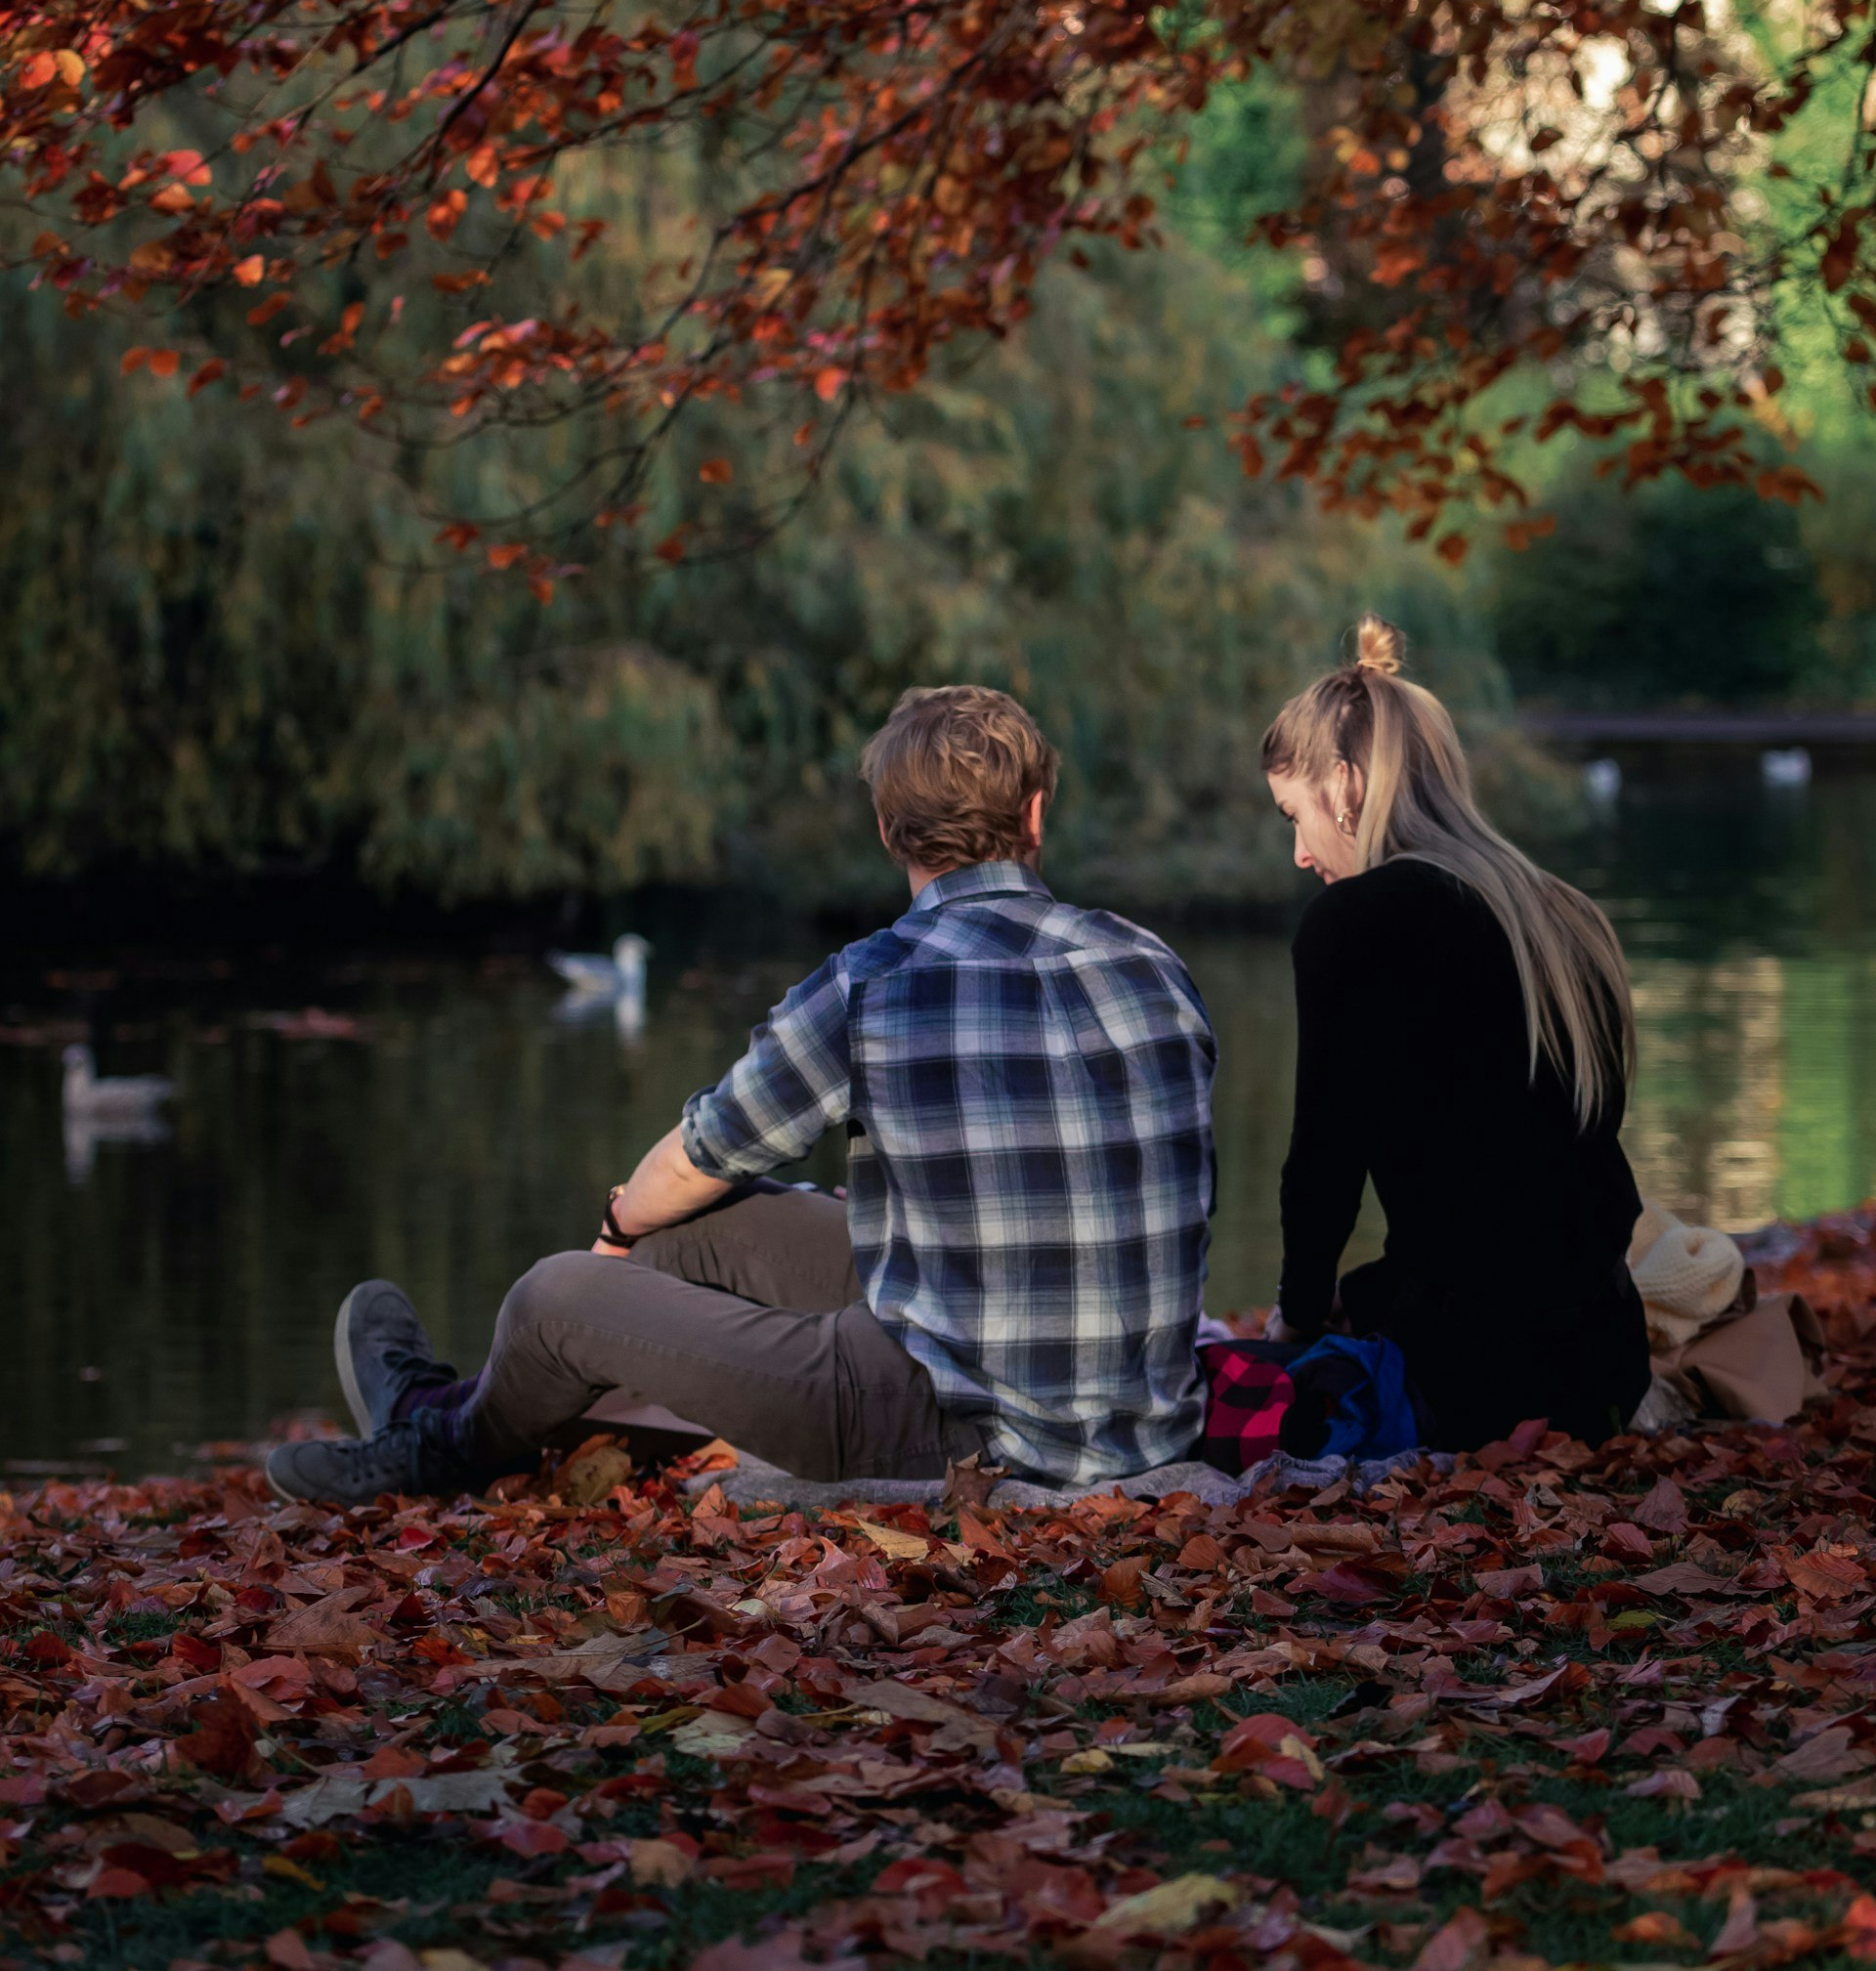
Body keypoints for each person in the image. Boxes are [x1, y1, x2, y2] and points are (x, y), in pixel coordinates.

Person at [266, 684, 1216, 1505]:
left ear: (889, 832)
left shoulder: (872, 982)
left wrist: (616, 1229)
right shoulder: (1151, 960)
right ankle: (498, 1409)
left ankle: (438, 1441)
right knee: (696, 1233)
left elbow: (699, 1152)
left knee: (557, 1295)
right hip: (1140, 1418)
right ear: (1037, 813)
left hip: (953, 1427)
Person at [1261, 616, 1650, 1452]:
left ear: (1345, 784)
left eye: (1294, 814)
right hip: (1605, 1360)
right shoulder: (1563, 913)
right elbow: (1548, 1176)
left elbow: (1325, 1160)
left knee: (1273, 1382)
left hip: (1475, 1378)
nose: (1298, 852)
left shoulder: (1353, 921)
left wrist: (1294, 1317)